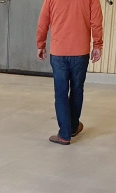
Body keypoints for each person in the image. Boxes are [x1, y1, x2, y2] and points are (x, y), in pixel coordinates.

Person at [37, 0, 104, 145]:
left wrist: (40, 44)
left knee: (61, 93)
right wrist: (97, 45)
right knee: (77, 90)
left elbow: (43, 21)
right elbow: (96, 22)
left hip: (58, 53)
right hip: (80, 53)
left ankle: (64, 135)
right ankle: (73, 127)